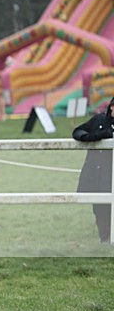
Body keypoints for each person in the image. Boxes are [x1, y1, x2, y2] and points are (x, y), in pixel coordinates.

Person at [72, 96, 114, 242]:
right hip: (96, 174)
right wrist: (90, 137)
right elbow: (77, 131)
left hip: (111, 174)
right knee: (99, 208)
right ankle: (104, 238)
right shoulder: (98, 120)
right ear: (111, 107)